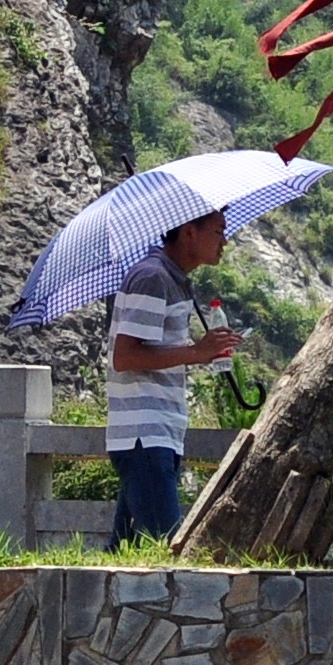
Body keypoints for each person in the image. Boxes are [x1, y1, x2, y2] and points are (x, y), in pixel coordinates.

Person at [103, 211, 245, 547]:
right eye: (217, 231)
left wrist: (204, 351)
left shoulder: (172, 279)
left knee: (126, 551)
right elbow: (125, 357)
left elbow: (155, 353)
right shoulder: (152, 277)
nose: (224, 240)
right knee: (163, 548)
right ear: (188, 232)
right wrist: (196, 352)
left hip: (159, 432)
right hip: (145, 434)